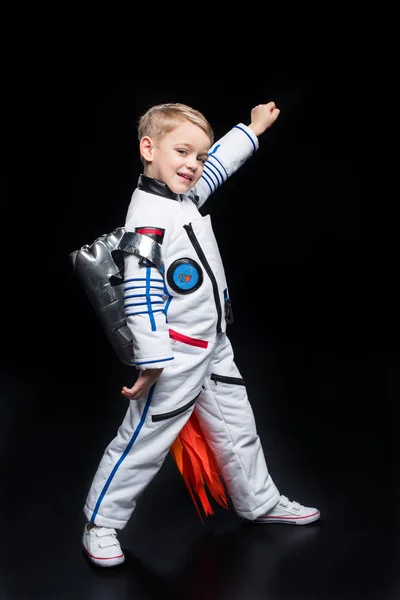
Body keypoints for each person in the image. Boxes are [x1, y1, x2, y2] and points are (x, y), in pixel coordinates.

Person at [81, 100, 321, 567]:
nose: (193, 165)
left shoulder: (182, 197)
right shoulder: (148, 216)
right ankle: (100, 521)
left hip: (212, 344)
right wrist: (151, 361)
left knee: (237, 426)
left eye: (199, 155)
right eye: (182, 152)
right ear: (149, 149)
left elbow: (219, 168)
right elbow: (142, 294)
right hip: (174, 355)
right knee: (142, 441)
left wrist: (251, 129)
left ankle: (258, 500)